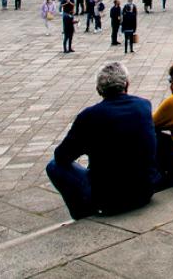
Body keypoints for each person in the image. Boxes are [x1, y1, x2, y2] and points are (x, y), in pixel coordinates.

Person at [45, 62, 159, 220]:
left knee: (53, 166)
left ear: (99, 89)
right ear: (127, 84)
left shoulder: (90, 116)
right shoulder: (143, 105)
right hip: (145, 190)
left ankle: (83, 214)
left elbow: (61, 156)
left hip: (109, 198)